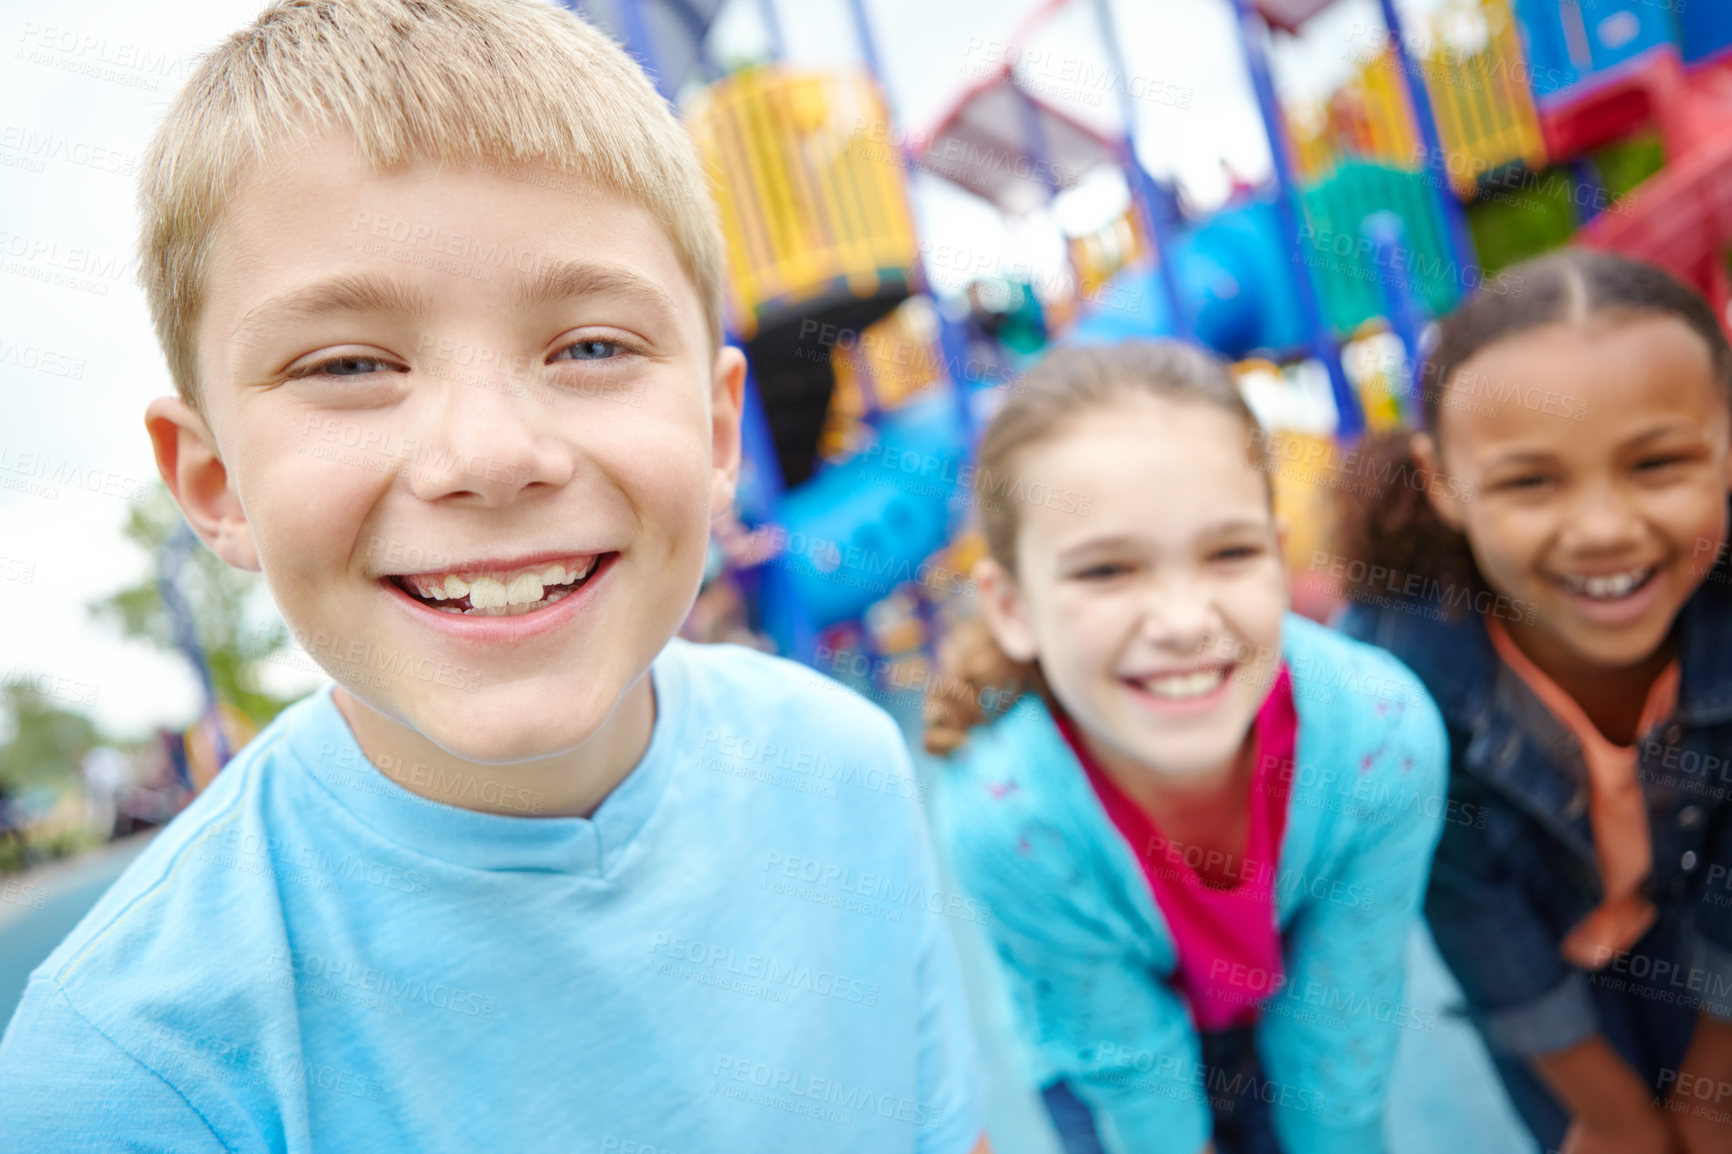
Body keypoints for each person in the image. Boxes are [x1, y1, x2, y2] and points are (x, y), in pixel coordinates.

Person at [0, 3, 987, 1151]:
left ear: (720, 433)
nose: (492, 454)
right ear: (215, 482)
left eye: (591, 347)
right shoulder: (123, 1075)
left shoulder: (845, 770)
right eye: (350, 363)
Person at [924, 341, 1447, 1154]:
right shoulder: (1008, 812)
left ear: (1278, 555)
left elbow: (1343, 1037)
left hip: (1293, 1003)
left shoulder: (1382, 739)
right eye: (1106, 570)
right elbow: (1131, 1066)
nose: (1182, 621)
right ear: (1011, 605)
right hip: (1103, 1048)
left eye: (1229, 553)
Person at [1335, 249, 1732, 1154]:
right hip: (1547, 966)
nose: (1602, 529)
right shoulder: (1398, 681)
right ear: (1443, 484)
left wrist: (1712, 1092)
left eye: (1658, 462)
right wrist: (1612, 1116)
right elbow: (1477, 918)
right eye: (1530, 481)